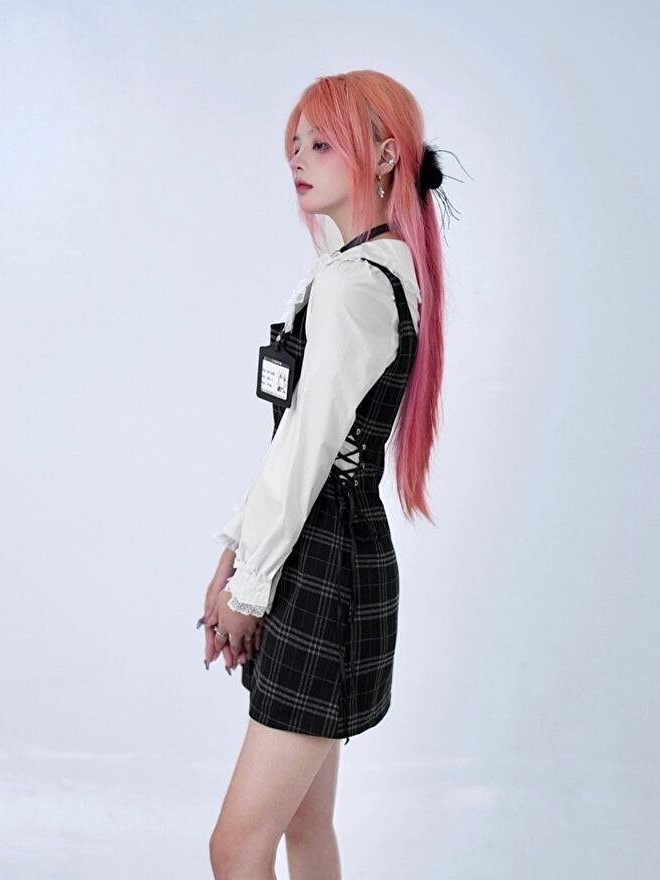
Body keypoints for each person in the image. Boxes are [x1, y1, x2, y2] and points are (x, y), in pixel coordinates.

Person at [199, 69, 457, 880]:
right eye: (295, 144)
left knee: (236, 846)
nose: (297, 159)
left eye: (321, 144)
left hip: (321, 572)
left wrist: (248, 589)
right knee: (305, 827)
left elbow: (309, 452)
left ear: (384, 157)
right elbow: (298, 447)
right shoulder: (365, 269)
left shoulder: (353, 286)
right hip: (332, 559)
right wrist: (234, 552)